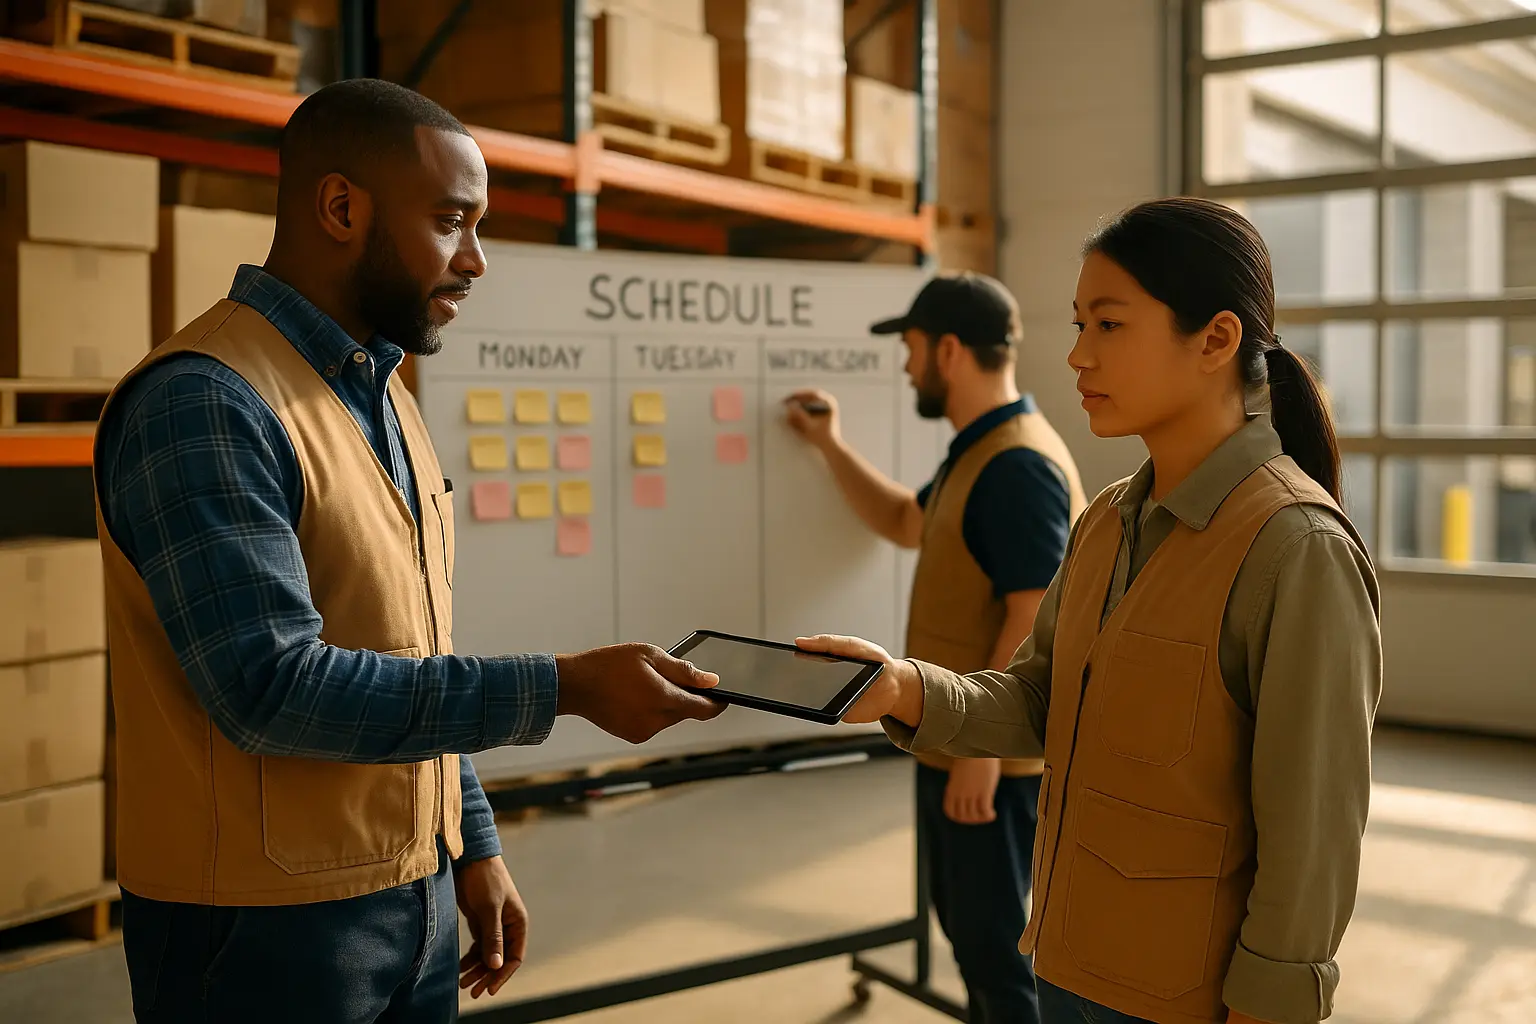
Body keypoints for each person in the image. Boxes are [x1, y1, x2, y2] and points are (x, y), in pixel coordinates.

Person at [93, 79, 723, 1024]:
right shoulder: (205, 403)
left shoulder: (385, 397)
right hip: (260, 929)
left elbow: (408, 647)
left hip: (413, 898)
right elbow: (269, 688)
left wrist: (469, 844)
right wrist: (567, 687)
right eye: (451, 222)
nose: (475, 261)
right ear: (341, 207)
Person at [799, 198, 1381, 1024]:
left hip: (1183, 999)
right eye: (1078, 325)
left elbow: (1312, 835)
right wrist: (902, 689)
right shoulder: (1108, 519)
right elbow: (1040, 699)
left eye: (1108, 325)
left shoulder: (1296, 549)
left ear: (1215, 340)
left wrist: (1269, 1007)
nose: (1076, 355)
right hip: (1065, 962)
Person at [785, 272, 1085, 1023]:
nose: (906, 365)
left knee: (994, 946)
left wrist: (979, 750)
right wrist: (829, 442)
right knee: (975, 937)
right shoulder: (980, 452)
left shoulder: (1016, 465)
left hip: (992, 758)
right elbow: (904, 520)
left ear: (948, 350)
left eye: (913, 348)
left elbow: (1034, 604)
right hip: (959, 739)